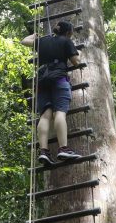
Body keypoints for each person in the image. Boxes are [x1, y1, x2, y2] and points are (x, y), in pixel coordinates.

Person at [21, 20, 82, 165]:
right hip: (59, 80)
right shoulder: (66, 41)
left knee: (45, 116)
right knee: (59, 112)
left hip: (42, 81)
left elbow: (24, 41)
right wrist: (78, 53)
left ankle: (43, 151)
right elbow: (76, 62)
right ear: (68, 33)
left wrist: (34, 35)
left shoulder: (42, 41)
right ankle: (64, 148)